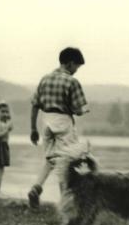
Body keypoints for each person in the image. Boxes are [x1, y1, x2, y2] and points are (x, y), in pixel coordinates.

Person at [27, 47, 90, 208]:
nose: (76, 71)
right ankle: (65, 201)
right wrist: (79, 109)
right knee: (67, 161)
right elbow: (78, 109)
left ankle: (37, 186)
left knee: (50, 159)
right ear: (70, 64)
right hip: (63, 121)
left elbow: (35, 105)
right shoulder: (71, 81)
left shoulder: (45, 79)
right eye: (76, 66)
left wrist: (33, 129)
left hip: (46, 120)